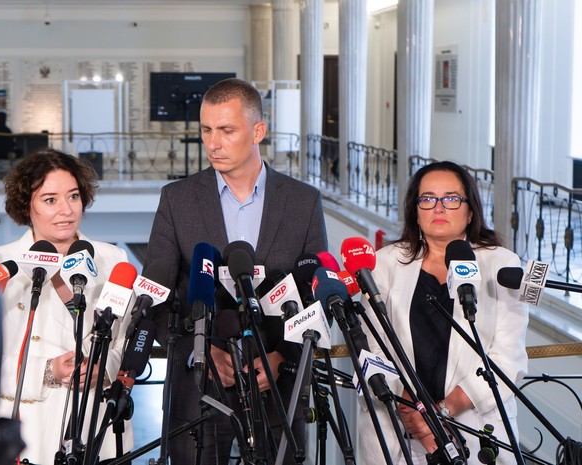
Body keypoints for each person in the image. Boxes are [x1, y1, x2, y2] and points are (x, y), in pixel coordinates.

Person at [144, 78, 328, 464]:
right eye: (206, 130)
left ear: (258, 131)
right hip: (196, 397)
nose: (213, 143)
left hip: (279, 394)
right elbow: (156, 297)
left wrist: (282, 358)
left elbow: (314, 296)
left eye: (226, 130)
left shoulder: (304, 202)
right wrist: (200, 353)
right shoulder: (176, 200)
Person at [357, 161, 529, 464]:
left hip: (474, 430)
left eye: (451, 198)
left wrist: (442, 413)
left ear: (470, 211)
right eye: (427, 199)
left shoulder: (502, 264)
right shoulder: (384, 263)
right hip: (400, 429)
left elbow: (507, 358)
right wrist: (412, 411)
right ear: (416, 211)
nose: (438, 208)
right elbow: (373, 346)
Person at [0, 148, 133, 465]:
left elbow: (126, 340)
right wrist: (47, 371)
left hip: (97, 428)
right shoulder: (1, 263)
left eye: (73, 196)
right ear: (26, 206)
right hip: (28, 432)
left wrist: (103, 369)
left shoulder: (112, 259)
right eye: (50, 200)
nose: (66, 210)